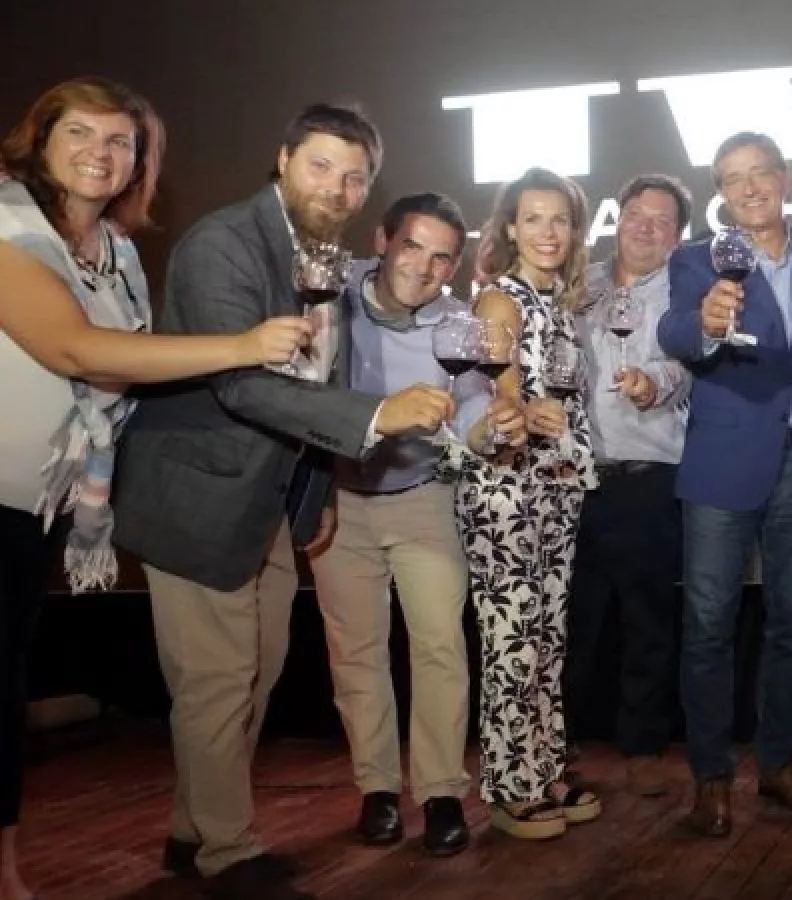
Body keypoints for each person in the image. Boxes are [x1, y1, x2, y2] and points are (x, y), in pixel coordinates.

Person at [113, 103, 454, 900]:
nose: (338, 187)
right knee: (220, 679)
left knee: (256, 674)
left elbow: (315, 376)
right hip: (198, 494)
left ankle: (192, 831)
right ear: (283, 160)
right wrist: (378, 415)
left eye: (355, 177)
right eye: (321, 166)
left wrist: (319, 485)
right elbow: (241, 383)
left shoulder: (321, 257)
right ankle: (228, 853)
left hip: (268, 498)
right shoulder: (225, 243)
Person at [0, 76, 309, 900]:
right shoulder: (6, 225)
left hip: (42, 502)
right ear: (40, 139)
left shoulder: (118, 250)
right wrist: (242, 345)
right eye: (80, 133)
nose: (99, 153)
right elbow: (77, 351)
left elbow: (139, 376)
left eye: (120, 141)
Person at [308, 192, 527, 857]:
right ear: (382, 241)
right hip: (338, 498)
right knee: (356, 652)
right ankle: (377, 788)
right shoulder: (328, 293)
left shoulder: (458, 324)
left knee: (439, 646)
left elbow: (472, 416)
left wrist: (495, 429)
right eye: (413, 247)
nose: (425, 268)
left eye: (442, 258)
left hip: (422, 495)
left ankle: (440, 792)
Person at [657, 131, 792, 838]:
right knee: (708, 625)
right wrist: (707, 323)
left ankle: (778, 765)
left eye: (758, 173)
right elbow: (676, 330)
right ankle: (711, 778)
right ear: (720, 193)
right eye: (731, 179)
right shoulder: (697, 260)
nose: (747, 188)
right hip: (724, 462)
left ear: (783, 179)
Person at [456, 166, 600, 840]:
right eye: (533, 218)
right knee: (512, 639)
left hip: (555, 485)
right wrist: (523, 409)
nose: (548, 232)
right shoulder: (500, 300)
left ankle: (545, 768)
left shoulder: (559, 305)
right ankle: (511, 785)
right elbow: (500, 395)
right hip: (506, 490)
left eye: (560, 219)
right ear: (510, 228)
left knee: (546, 637)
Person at [565, 174, 692, 798]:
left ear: (678, 236)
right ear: (617, 219)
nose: (646, 227)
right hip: (573, 475)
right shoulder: (577, 284)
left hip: (648, 476)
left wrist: (653, 384)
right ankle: (555, 745)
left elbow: (686, 365)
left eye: (661, 220)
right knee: (569, 621)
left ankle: (643, 747)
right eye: (637, 214)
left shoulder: (685, 292)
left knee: (648, 623)